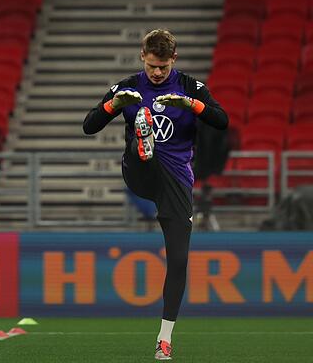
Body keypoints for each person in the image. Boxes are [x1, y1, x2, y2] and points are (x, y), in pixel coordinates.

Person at [82, 29, 228, 360]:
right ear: (142, 59)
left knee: (178, 260)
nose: (157, 73)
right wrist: (113, 104)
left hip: (176, 181)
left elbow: (221, 121)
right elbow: (89, 126)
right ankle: (142, 141)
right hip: (140, 172)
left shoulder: (190, 86)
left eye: (162, 67)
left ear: (173, 60)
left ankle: (164, 338)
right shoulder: (129, 85)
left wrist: (191, 104)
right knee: (140, 148)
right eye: (151, 66)